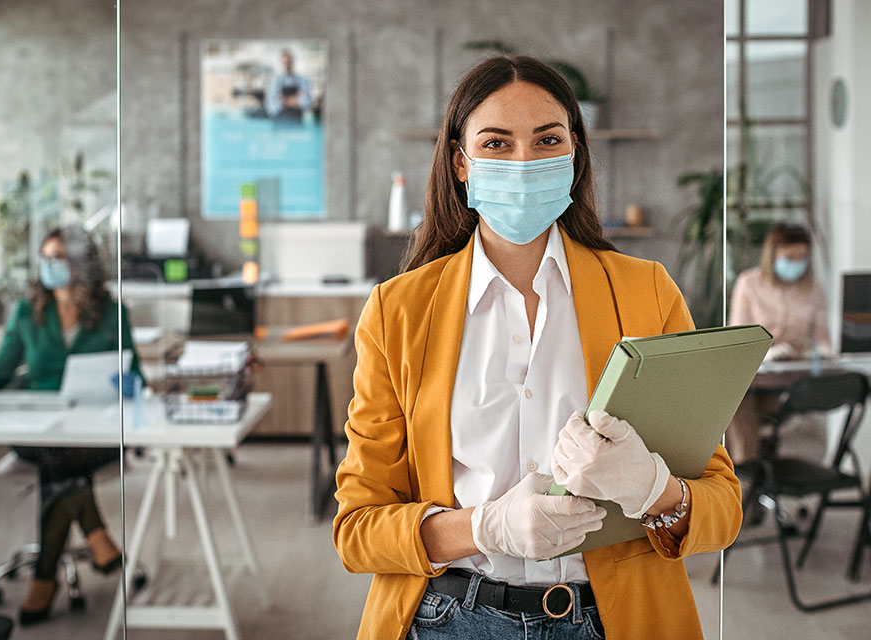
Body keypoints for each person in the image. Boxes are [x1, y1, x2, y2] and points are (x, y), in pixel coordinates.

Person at [333, 56, 742, 639]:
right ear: (460, 164)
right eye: (496, 143)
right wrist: (485, 527)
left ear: (574, 155)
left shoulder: (646, 292)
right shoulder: (397, 311)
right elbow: (357, 529)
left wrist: (653, 488)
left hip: (613, 619)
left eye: (547, 139)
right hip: (449, 618)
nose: (524, 162)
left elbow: (722, 509)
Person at [0, 225, 142, 625]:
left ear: (79, 264)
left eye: (56, 257)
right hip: (40, 428)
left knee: (61, 460)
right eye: (44, 257)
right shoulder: (27, 312)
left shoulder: (112, 314)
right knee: (57, 454)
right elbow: (0, 370)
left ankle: (47, 576)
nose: (47, 265)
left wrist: (124, 381)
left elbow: (137, 378)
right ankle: (96, 537)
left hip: (97, 430)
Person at [726, 223, 830, 464]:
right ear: (772, 254)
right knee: (733, 405)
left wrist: (809, 354)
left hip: (793, 384)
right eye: (789, 257)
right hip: (753, 380)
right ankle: (748, 473)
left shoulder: (813, 288)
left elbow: (824, 342)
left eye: (802, 257)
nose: (796, 263)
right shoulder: (749, 283)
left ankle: (745, 482)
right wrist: (770, 353)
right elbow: (739, 342)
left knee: (733, 413)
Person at [264, 49, 312, 123]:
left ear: (293, 62)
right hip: (279, 123)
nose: (287, 65)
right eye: (285, 62)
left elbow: (307, 103)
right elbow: (271, 107)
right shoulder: (274, 81)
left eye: (289, 62)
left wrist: (283, 100)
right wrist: (295, 98)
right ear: (281, 63)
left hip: (297, 123)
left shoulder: (302, 80)